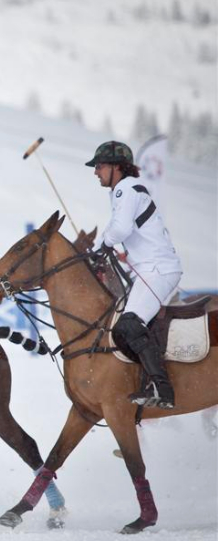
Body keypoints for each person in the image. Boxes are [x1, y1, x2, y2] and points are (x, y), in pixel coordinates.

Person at [88, 140, 182, 409]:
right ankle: (147, 382)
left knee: (129, 325)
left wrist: (101, 246)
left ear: (117, 167)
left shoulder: (125, 189)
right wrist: (95, 251)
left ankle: (162, 388)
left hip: (158, 269)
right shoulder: (123, 190)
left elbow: (118, 230)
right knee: (122, 328)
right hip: (147, 269)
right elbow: (114, 230)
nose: (96, 171)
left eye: (100, 166)